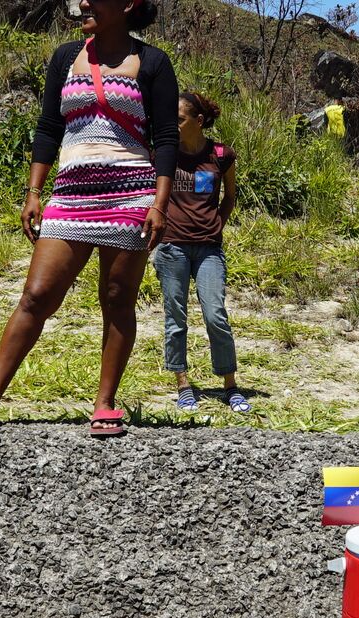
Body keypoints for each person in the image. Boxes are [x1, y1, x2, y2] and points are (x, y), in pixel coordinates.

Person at [0, 0, 178, 439]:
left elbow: (167, 138)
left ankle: (104, 404)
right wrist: (34, 193)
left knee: (118, 298)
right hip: (70, 194)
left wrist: (159, 203)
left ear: (127, 4)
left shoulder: (153, 62)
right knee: (37, 294)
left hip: (130, 194)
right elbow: (48, 128)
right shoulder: (66, 56)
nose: (82, 2)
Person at [154, 91, 248, 414]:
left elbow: (230, 196)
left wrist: (217, 225)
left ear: (198, 121)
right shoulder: (164, 153)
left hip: (208, 248)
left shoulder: (222, 154)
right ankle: (183, 384)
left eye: (179, 119)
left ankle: (230, 385)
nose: (174, 124)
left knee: (215, 314)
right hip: (172, 247)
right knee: (175, 318)